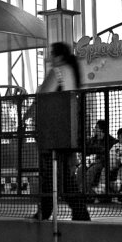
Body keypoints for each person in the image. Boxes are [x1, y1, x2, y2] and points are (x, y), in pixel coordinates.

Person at [30, 42, 91, 222]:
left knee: (50, 172)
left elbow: (43, 96)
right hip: (69, 128)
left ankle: (48, 210)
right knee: (63, 174)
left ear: (58, 56)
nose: (49, 58)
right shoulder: (73, 72)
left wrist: (29, 115)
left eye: (51, 54)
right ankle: (78, 211)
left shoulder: (57, 72)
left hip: (53, 130)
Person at [76, 120, 117, 202]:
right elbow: (86, 151)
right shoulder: (92, 140)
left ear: (101, 129)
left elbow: (110, 155)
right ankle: (83, 192)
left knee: (92, 169)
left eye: (96, 127)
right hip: (89, 161)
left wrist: (96, 159)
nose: (94, 129)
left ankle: (83, 193)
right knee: (81, 169)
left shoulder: (111, 141)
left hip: (102, 163)